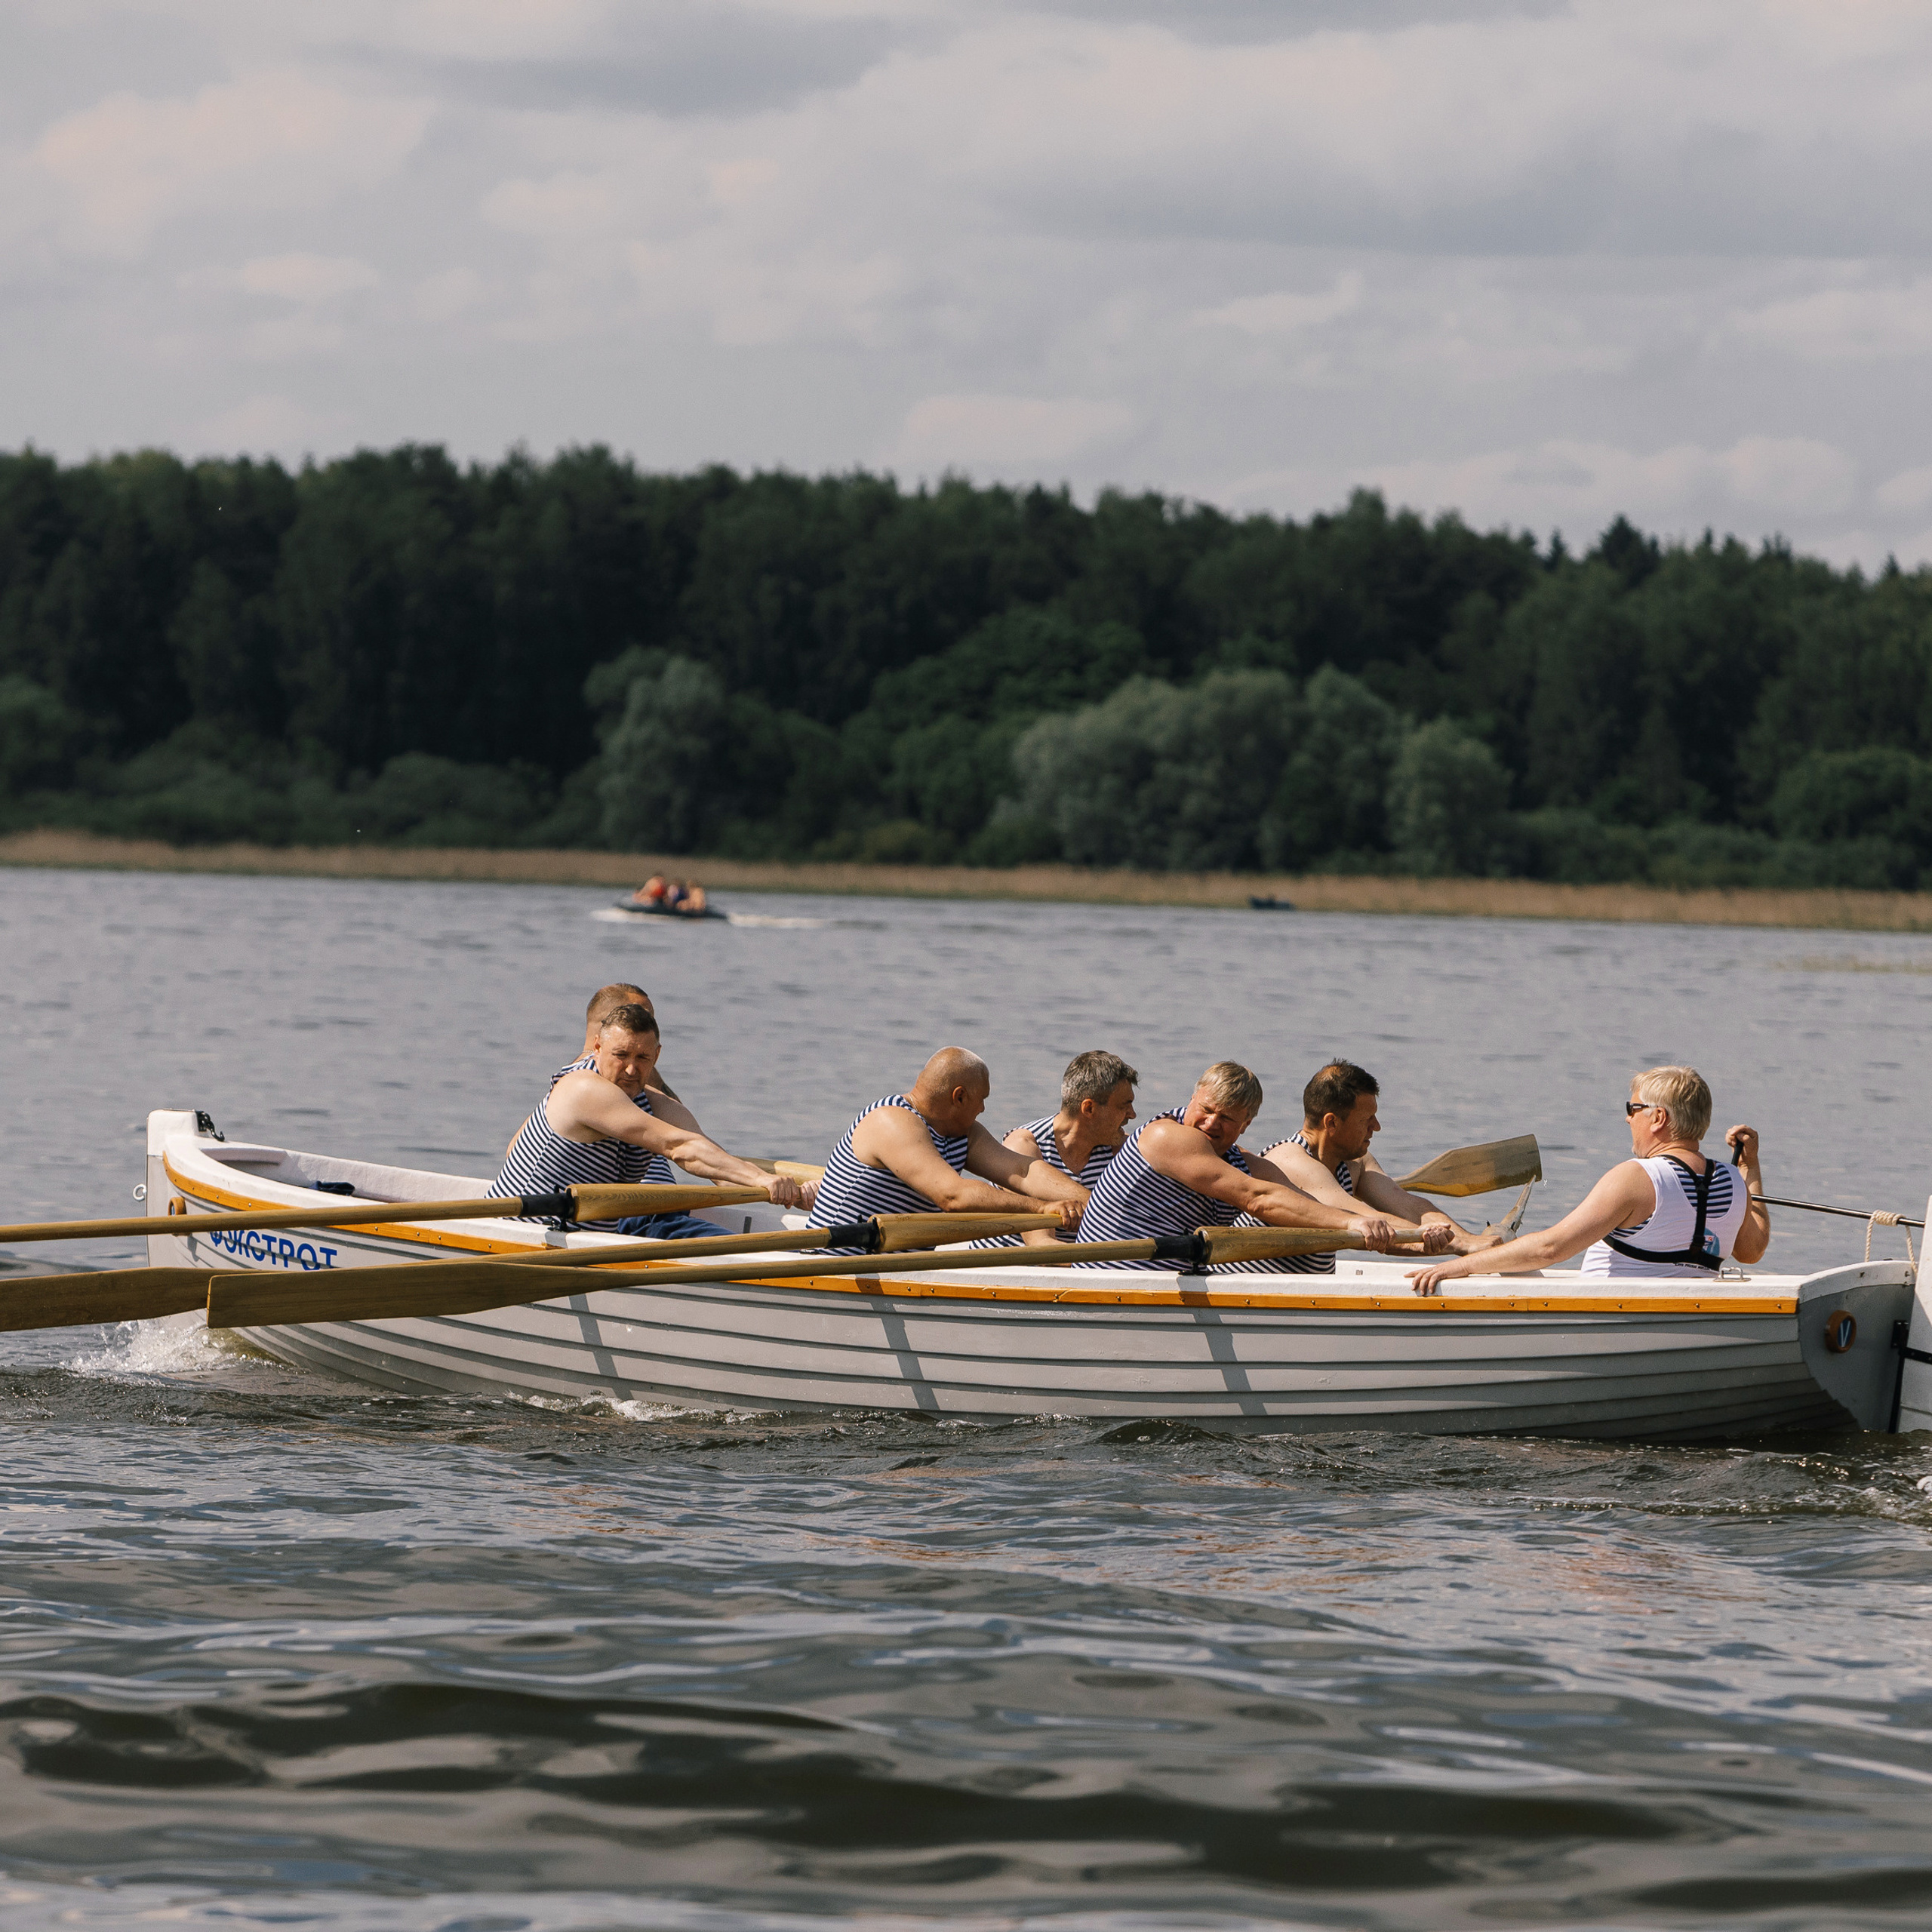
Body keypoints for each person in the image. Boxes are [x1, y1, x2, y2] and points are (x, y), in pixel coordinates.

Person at [1406, 1064, 1769, 1297]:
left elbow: (1551, 1249)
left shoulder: (1635, 1177)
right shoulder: (1734, 1181)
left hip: (1616, 1319)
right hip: (1685, 1317)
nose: (1628, 1119)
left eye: (1633, 1109)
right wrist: (1750, 1168)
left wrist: (1460, 1264)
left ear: (1658, 1117)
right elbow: (1752, 1252)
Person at [1074, 1060, 1454, 1272]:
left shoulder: (1244, 1161)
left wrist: (1426, 1239)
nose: (1210, 1124)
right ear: (1192, 1099)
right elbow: (1258, 1198)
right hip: (1111, 1280)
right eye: (1205, 1110)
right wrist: (1354, 1221)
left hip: (1167, 1282)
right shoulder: (1165, 1135)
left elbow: (1307, 1206)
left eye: (1226, 1119)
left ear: (1246, 1125)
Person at [495, 1003, 804, 1232]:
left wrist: (792, 1193)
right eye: (621, 1056)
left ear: (656, 1056)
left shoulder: (652, 1102)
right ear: (598, 1048)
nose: (631, 1069)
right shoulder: (582, 1088)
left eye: (642, 1058)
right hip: (517, 1231)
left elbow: (711, 1160)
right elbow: (679, 1148)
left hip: (582, 1239)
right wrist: (764, 1181)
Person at [805, 1048, 1089, 1251]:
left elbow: (1023, 1172)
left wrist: (1097, 1204)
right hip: (831, 1261)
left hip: (893, 1271)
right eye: (982, 1099)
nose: (983, 1109)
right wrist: (1041, 1209)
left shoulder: (961, 1133)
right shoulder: (890, 1121)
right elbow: (953, 1196)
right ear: (960, 1097)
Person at [1249, 1060, 1500, 1274]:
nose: (1376, 1127)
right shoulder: (1289, 1160)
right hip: (1244, 1298)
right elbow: (1358, 1217)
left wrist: (1470, 1241)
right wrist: (1457, 1246)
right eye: (1366, 1119)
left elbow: (1408, 1206)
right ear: (1332, 1123)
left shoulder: (1356, 1163)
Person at [975, 1051, 1140, 1247]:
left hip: (1075, 1269)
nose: (1132, 1115)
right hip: (1010, 1272)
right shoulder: (1023, 1147)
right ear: (1089, 1109)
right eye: (1125, 1105)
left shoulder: (1122, 1151)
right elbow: (1042, 1247)